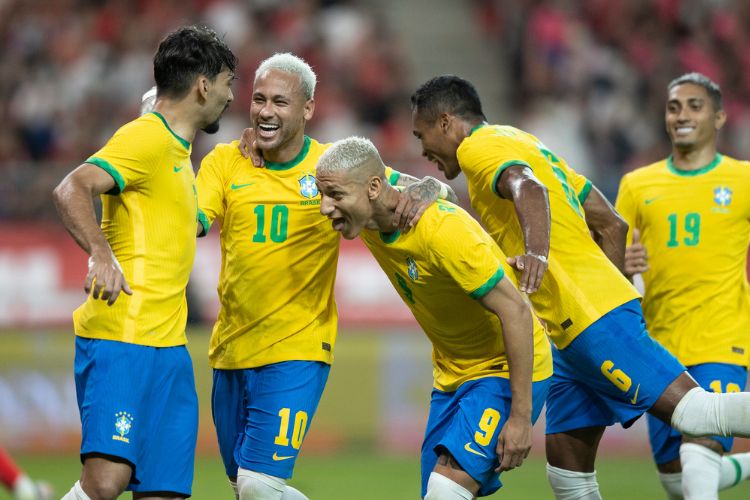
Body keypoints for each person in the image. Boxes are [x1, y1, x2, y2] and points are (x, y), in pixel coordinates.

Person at [409, 74, 750, 500]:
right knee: (568, 474)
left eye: (422, 136)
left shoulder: (478, 147)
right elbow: (612, 223)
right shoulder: (526, 142)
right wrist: (608, 289)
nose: (423, 151)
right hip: (568, 331)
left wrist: (540, 256)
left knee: (697, 414)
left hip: (590, 318)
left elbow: (527, 188)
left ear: (445, 122)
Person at [196, 53, 456, 500]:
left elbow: (432, 190)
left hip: (297, 347)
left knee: (258, 486)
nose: (265, 111)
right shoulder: (224, 162)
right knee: (244, 488)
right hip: (230, 350)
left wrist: (429, 191)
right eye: (259, 99)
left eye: (280, 101)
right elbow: (192, 221)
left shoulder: (334, 170)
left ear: (308, 109)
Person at [52, 25, 236, 500]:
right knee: (105, 482)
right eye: (227, 83)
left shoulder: (179, 157)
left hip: (170, 350)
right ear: (203, 85)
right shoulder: (147, 139)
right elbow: (71, 187)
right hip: (123, 339)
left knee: (164, 493)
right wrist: (101, 253)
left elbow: (190, 224)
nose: (231, 96)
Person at [315, 136, 552, 499]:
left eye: (334, 195)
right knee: (437, 493)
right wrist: (432, 185)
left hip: (503, 369)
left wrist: (521, 417)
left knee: (445, 491)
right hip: (452, 375)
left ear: (374, 188)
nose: (324, 207)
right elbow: (425, 186)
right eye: (321, 194)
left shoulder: (443, 232)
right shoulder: (371, 209)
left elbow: (517, 312)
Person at [615, 72, 750, 499]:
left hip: (721, 341)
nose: (682, 115)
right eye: (674, 107)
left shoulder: (743, 180)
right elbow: (610, 265)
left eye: (695, 106)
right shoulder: (637, 184)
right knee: (680, 480)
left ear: (720, 117)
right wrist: (623, 263)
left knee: (698, 457)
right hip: (660, 351)